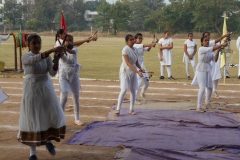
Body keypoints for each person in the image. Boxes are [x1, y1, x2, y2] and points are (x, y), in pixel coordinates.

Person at [17, 34, 66, 160]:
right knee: (32, 118)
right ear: (28, 44)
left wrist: (57, 60)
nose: (37, 45)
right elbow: (35, 59)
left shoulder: (47, 57)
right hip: (31, 90)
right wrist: (52, 51)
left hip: (46, 88)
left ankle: (48, 141)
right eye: (34, 43)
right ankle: (32, 154)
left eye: (39, 43)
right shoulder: (25, 57)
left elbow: (52, 72)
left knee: (48, 114)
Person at [59, 34, 96, 126]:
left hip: (74, 74)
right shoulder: (60, 49)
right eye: (67, 40)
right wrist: (59, 51)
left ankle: (77, 119)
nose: (69, 42)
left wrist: (63, 49)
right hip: (63, 74)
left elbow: (71, 54)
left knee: (76, 97)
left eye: (71, 40)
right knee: (64, 98)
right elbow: (62, 59)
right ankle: (59, 120)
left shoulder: (75, 49)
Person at [191, 36, 228, 113]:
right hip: (201, 69)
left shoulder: (210, 51)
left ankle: (207, 103)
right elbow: (212, 48)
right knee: (202, 88)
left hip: (208, 68)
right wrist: (221, 45)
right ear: (202, 42)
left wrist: (218, 51)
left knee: (210, 87)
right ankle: (199, 106)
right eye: (205, 40)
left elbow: (215, 59)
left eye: (208, 40)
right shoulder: (201, 49)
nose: (207, 42)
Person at [115, 34, 144, 115]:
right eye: (130, 40)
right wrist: (138, 71)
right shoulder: (125, 50)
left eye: (133, 39)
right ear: (127, 41)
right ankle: (118, 109)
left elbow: (136, 62)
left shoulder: (135, 49)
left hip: (133, 72)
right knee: (124, 90)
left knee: (133, 90)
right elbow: (128, 63)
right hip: (125, 72)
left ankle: (131, 109)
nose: (133, 41)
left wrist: (140, 68)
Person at [202, 32, 231, 98]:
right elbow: (217, 41)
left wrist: (227, 39)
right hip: (207, 63)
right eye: (206, 36)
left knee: (216, 76)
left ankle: (215, 90)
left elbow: (220, 44)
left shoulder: (211, 42)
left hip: (213, 60)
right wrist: (224, 35)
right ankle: (206, 92)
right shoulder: (205, 45)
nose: (208, 37)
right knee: (208, 78)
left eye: (208, 35)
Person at [133, 33, 156, 103]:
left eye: (141, 38)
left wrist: (152, 43)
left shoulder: (141, 45)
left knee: (147, 82)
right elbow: (145, 45)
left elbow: (148, 49)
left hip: (142, 65)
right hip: (136, 65)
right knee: (139, 82)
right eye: (139, 38)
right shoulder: (135, 45)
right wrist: (152, 44)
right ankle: (134, 99)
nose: (140, 39)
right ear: (135, 39)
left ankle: (142, 93)